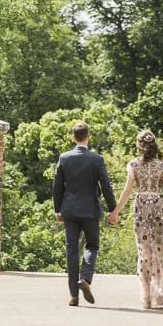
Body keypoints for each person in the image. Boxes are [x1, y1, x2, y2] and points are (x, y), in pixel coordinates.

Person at [106, 128, 163, 309]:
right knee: (161, 250)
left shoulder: (133, 165)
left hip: (141, 207)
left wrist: (116, 212)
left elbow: (126, 191)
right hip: (158, 207)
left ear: (139, 145)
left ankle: (147, 296)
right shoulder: (162, 165)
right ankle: (160, 294)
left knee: (144, 252)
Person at [53, 120, 117, 307]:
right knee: (92, 246)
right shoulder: (97, 159)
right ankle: (86, 279)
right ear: (88, 137)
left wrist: (58, 209)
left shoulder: (64, 158)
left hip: (70, 211)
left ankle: (74, 295)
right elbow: (106, 186)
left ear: (73, 138)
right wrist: (113, 210)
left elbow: (57, 187)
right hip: (90, 210)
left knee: (71, 251)